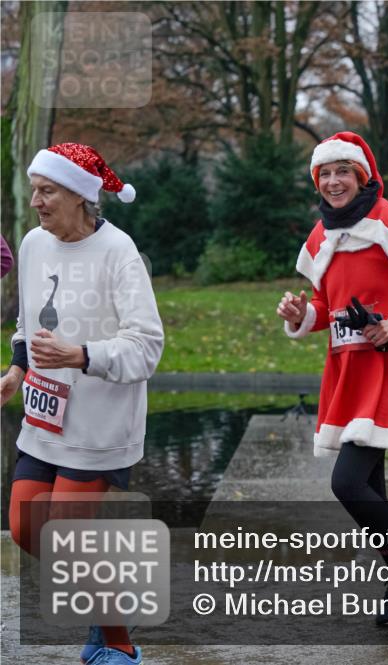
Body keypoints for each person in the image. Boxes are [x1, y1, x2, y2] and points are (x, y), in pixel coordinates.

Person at [276, 132, 388, 625]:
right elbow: (324, 305)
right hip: (346, 371)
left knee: (347, 483)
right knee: (370, 486)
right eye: (325, 174)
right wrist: (300, 313)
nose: (334, 182)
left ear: (362, 176)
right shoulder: (318, 237)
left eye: (343, 172)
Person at [1, 143, 162, 665]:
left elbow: (147, 345)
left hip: (100, 423)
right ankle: (110, 600)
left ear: (79, 197)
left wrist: (83, 355)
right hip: (44, 416)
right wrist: (17, 370)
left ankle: (119, 644)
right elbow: (27, 325)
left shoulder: (119, 252)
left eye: (47, 192)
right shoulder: (32, 245)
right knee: (27, 527)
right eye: (35, 191)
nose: (36, 203)